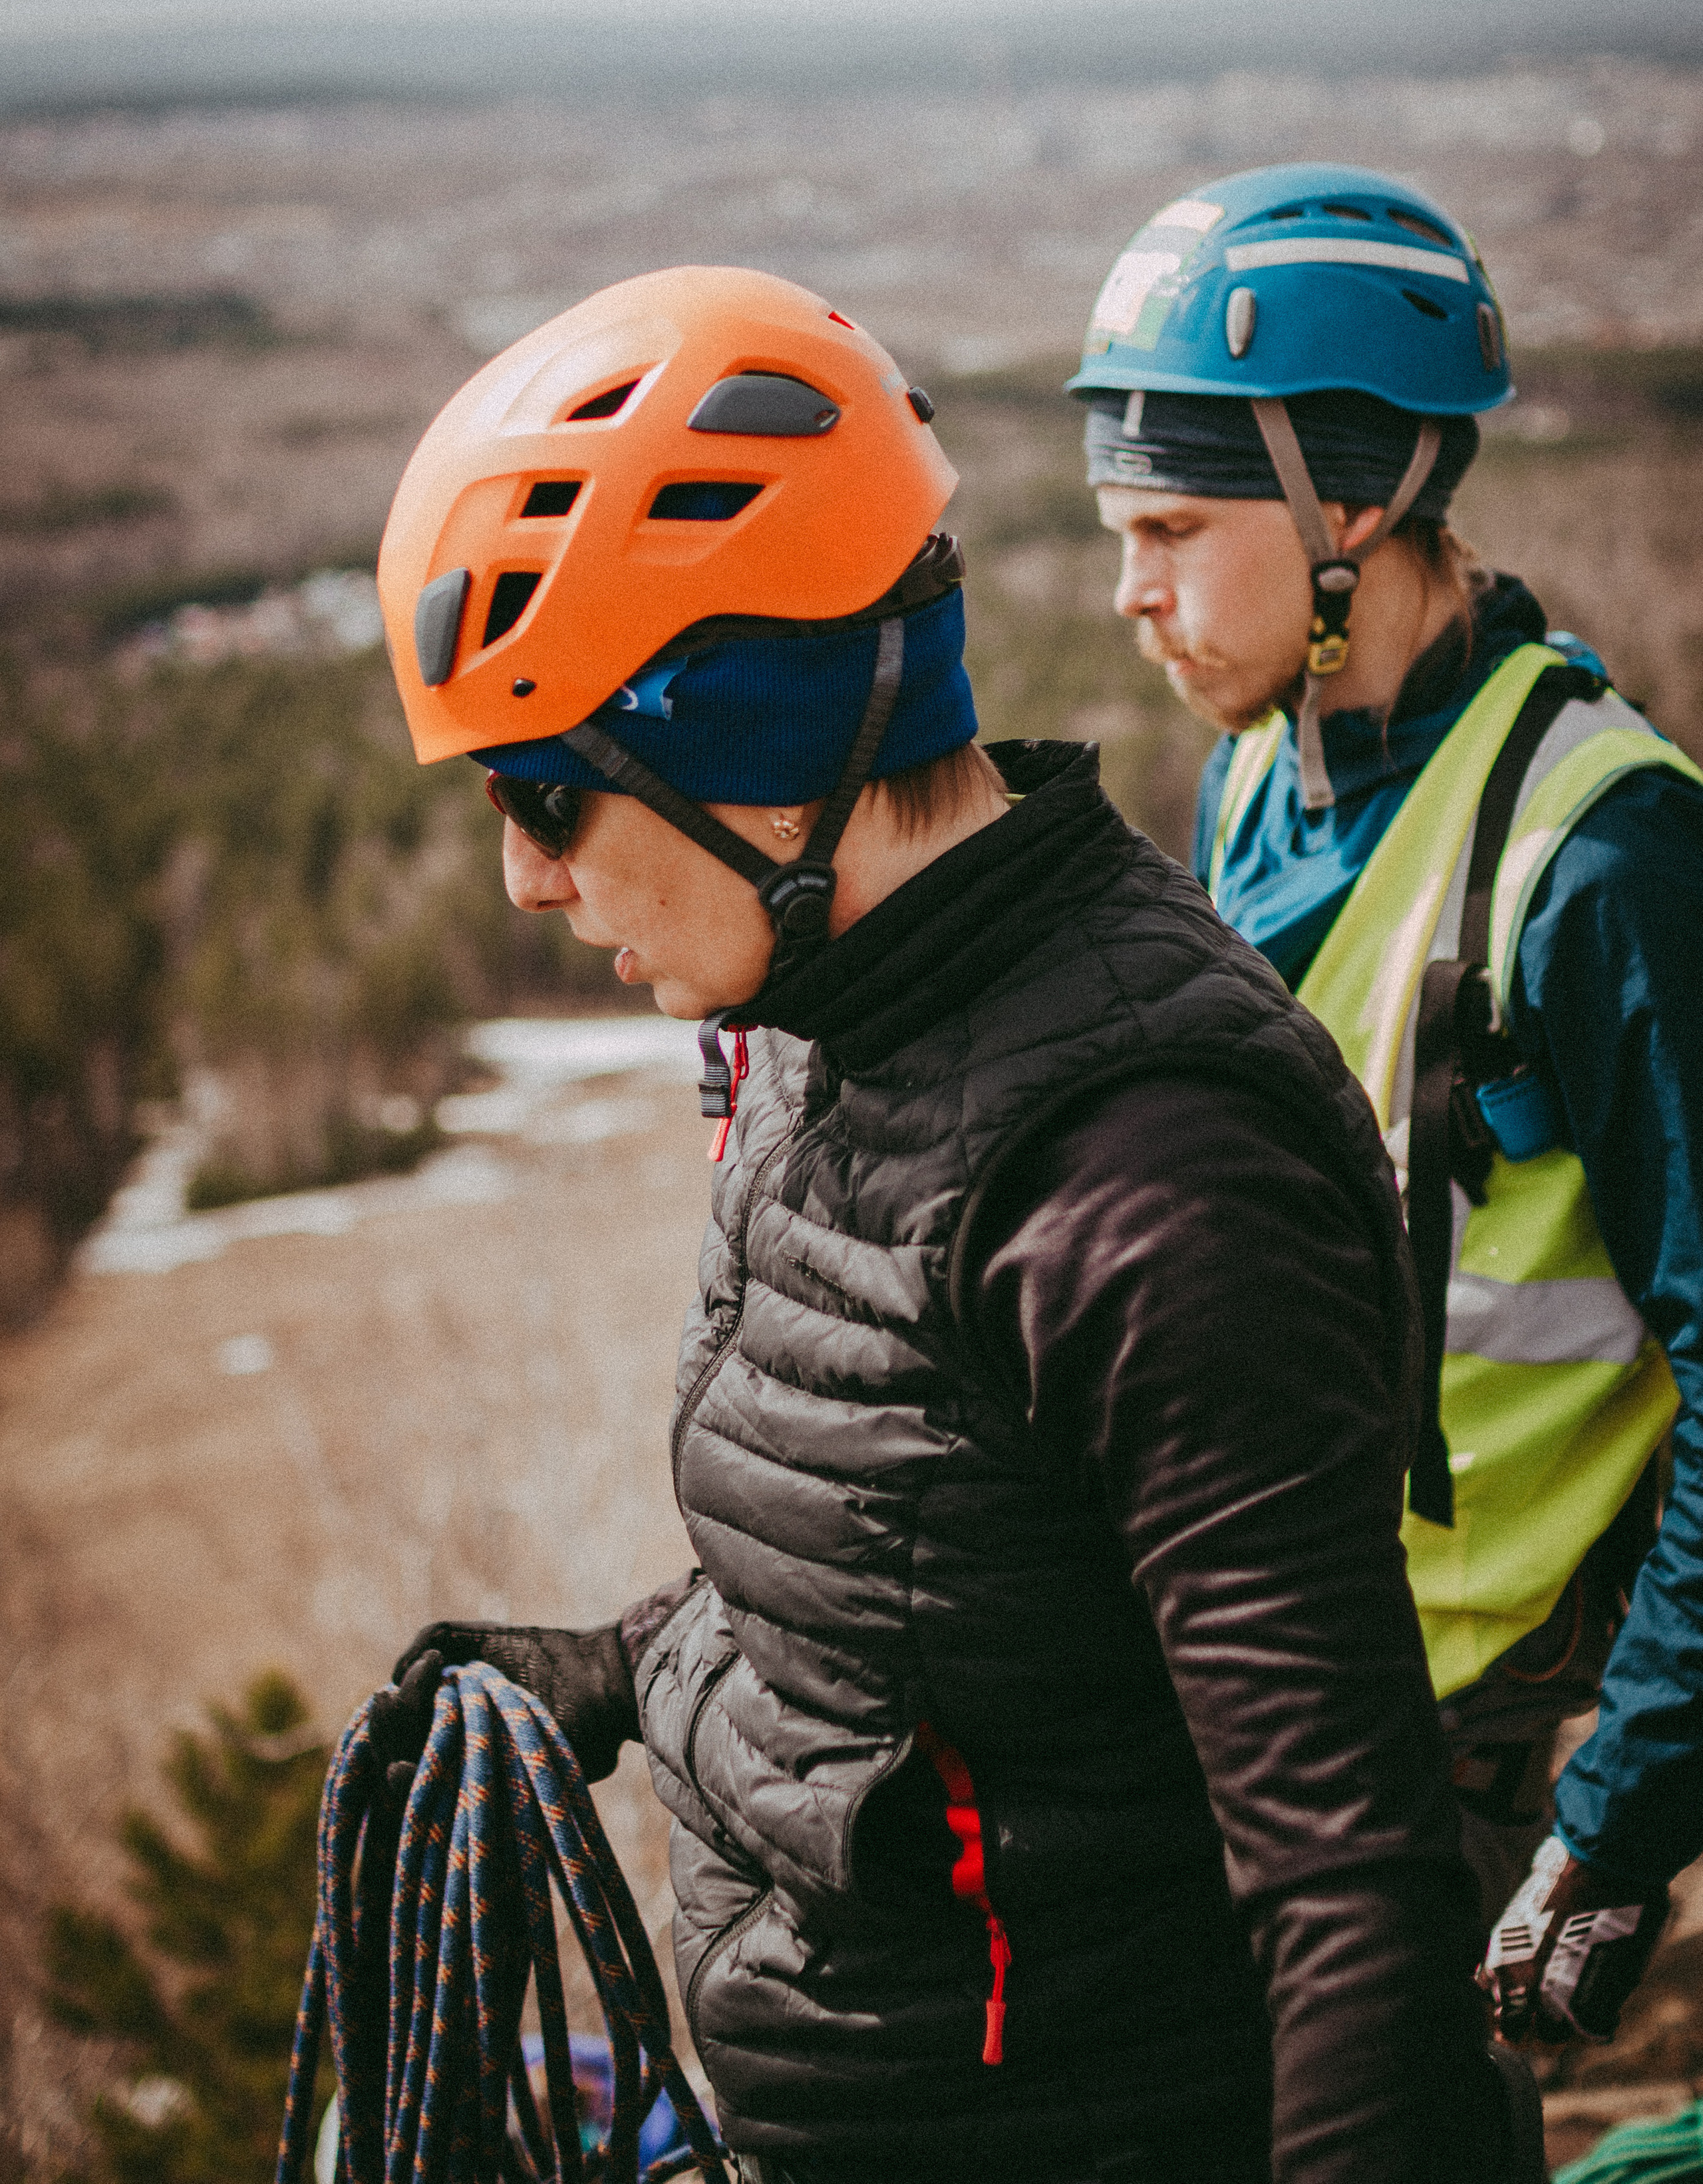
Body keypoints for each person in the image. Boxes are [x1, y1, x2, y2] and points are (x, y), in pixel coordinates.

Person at [369, 265, 1533, 2182]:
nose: (522, 875)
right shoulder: (834, 1027)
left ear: (752, 727)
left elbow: (1356, 1907)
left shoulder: (1152, 1176)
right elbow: (945, 1604)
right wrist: (615, 1669)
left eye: (549, 791)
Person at [1071, 164, 1703, 2058]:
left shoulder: (1605, 859)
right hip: (1262, 1677)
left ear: (1354, 502)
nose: (1132, 592)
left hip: (1459, 1750)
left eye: (1175, 525)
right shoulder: (1256, 779)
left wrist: (1616, 1824)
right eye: (1121, 530)